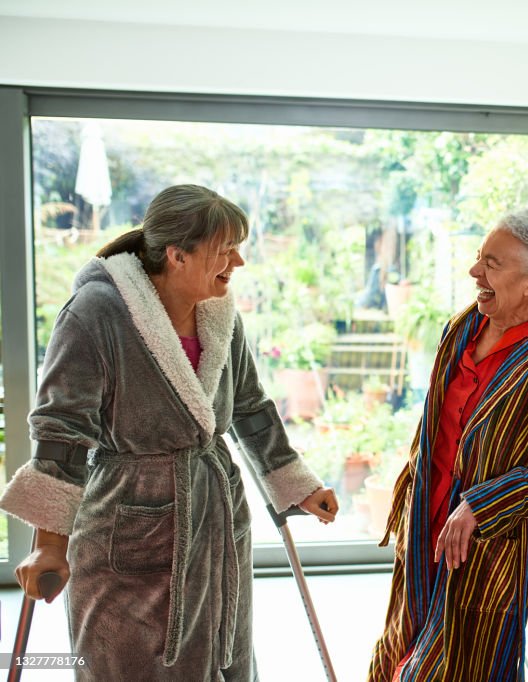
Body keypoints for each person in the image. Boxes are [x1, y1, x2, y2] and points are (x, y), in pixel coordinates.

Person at [0, 184, 339, 680]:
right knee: (128, 662)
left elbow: (249, 406)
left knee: (224, 656)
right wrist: (50, 544)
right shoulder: (97, 312)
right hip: (128, 523)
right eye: (225, 250)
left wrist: (296, 485)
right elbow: (62, 431)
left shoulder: (219, 314)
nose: (238, 262)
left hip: (215, 518)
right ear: (178, 255)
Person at [368, 209, 528, 681]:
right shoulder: (465, 326)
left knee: (457, 668)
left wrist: (481, 504)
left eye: (492, 264)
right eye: (480, 258)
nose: (475, 271)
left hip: (483, 547)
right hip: (426, 521)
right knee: (401, 649)